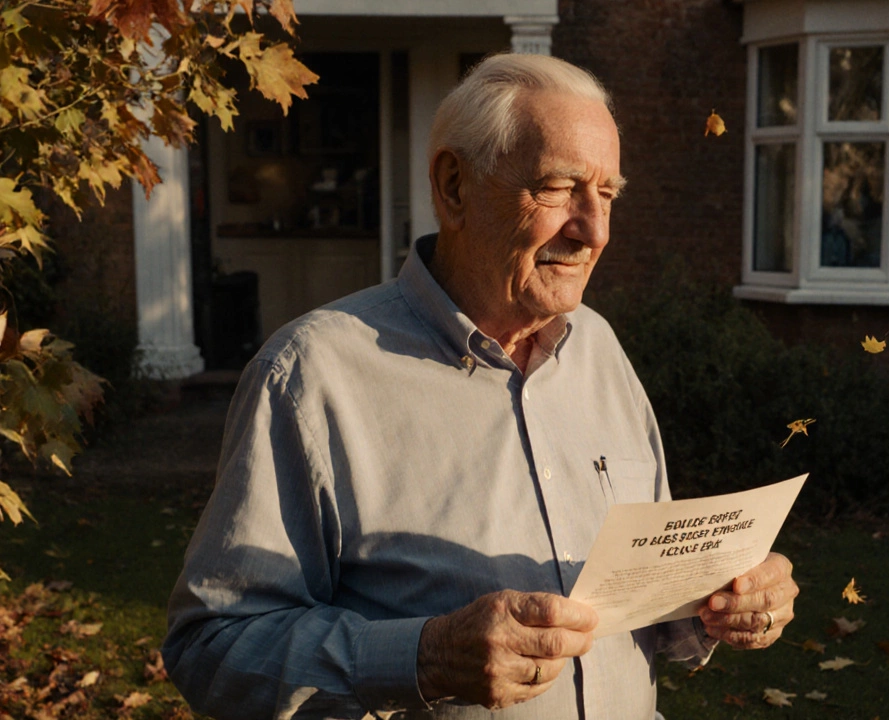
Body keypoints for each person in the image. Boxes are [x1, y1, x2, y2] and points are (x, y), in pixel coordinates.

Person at [163, 53, 799, 720]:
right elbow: (212, 647)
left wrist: (721, 601)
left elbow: (644, 605)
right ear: (454, 186)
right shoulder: (312, 375)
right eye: (559, 188)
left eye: (607, 194)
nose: (595, 230)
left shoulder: (599, 348)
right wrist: (424, 657)